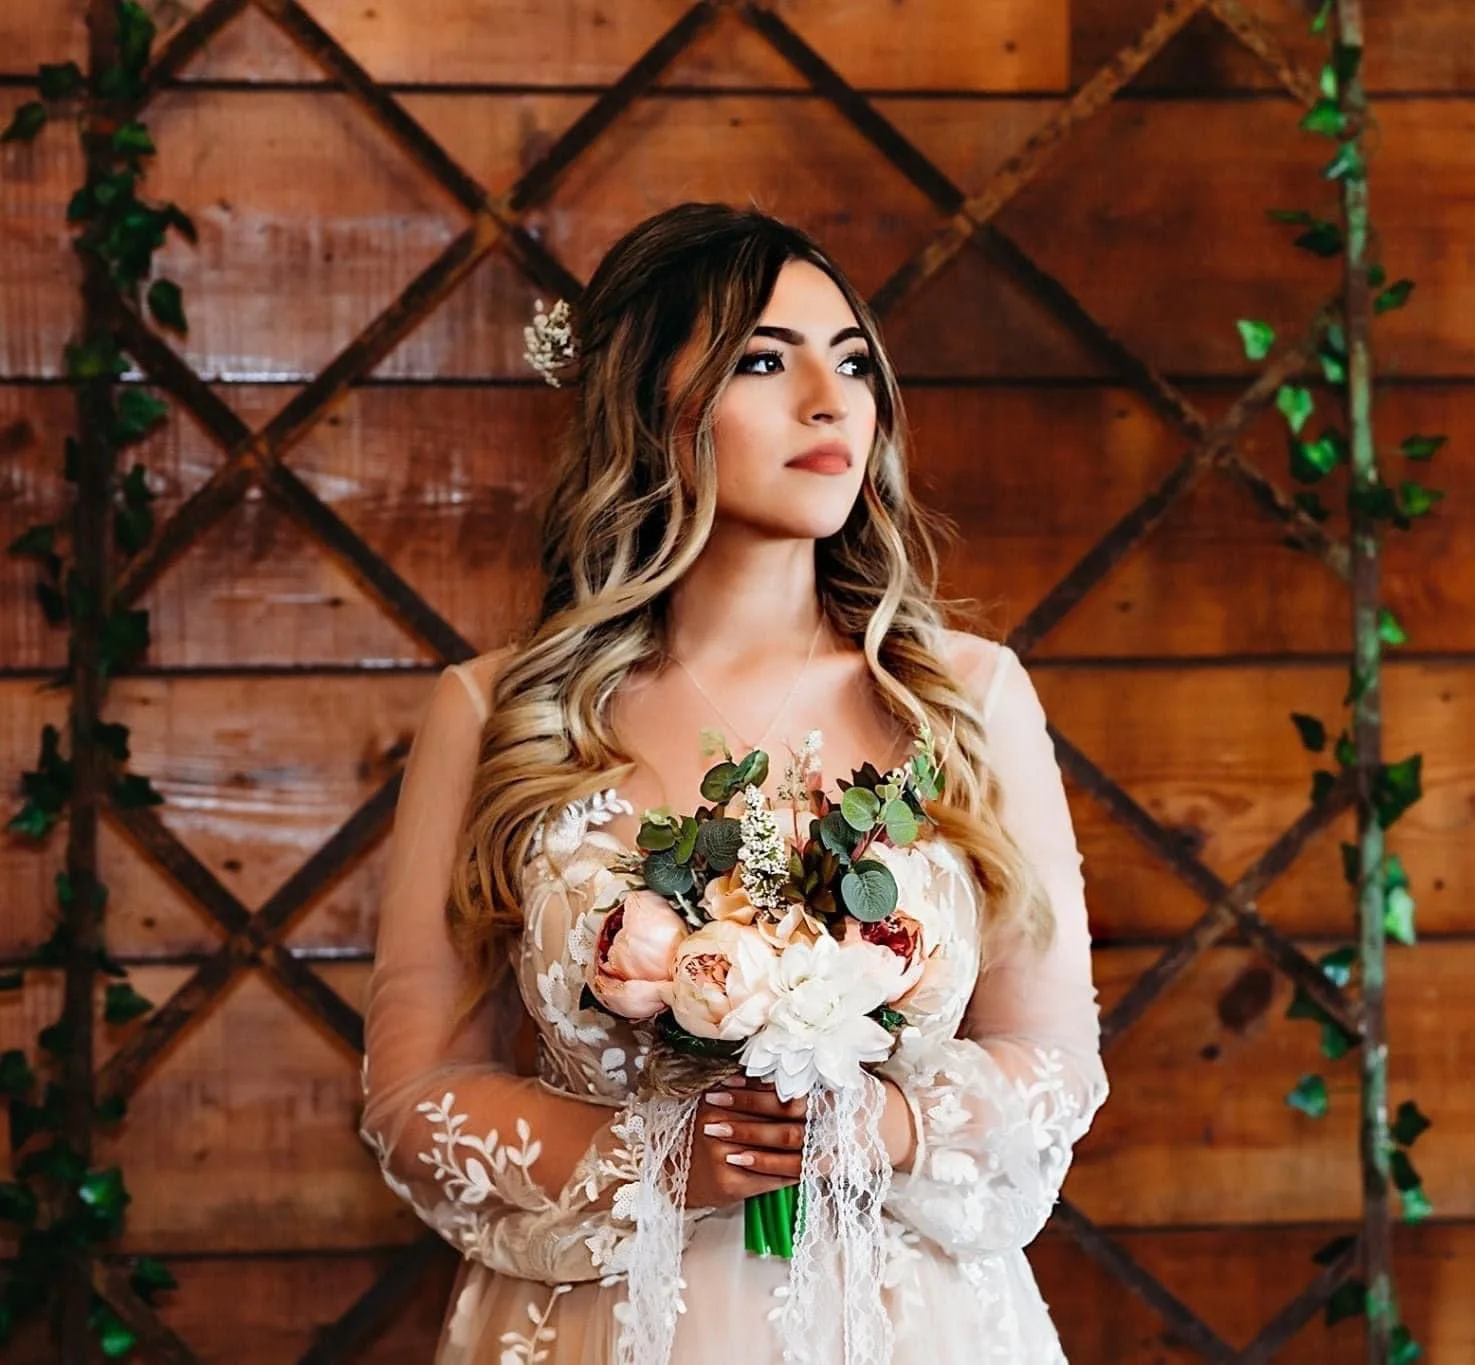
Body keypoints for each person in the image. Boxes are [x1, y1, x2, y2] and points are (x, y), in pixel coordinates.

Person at [358, 203, 1109, 1364]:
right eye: (764, 359)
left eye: (851, 362)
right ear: (647, 404)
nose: (829, 400)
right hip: (611, 1324)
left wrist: (887, 1120)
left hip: (907, 1325)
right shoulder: (498, 714)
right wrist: (660, 1157)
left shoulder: (966, 698)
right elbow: (417, 1093)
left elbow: (1055, 1064)